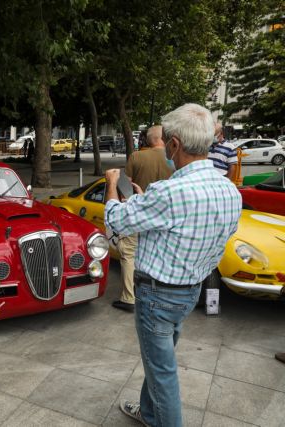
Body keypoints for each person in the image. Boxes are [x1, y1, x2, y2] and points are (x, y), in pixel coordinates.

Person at [104, 103, 242, 427]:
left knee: (162, 372)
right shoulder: (229, 190)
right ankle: (149, 414)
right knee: (158, 361)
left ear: (175, 144)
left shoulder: (170, 192)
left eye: (167, 140)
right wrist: (142, 201)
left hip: (157, 297)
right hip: (189, 291)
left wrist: (112, 184)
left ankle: (162, 419)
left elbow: (116, 221)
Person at [112, 125, 172, 313]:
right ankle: (158, 295)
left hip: (138, 214)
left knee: (129, 254)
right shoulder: (174, 160)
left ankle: (129, 298)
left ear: (149, 139)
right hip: (165, 216)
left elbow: (125, 186)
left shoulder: (137, 157)